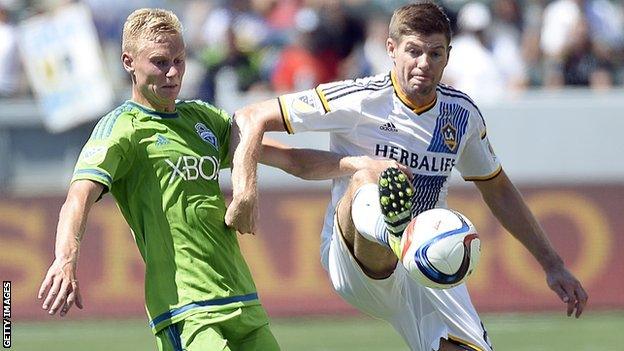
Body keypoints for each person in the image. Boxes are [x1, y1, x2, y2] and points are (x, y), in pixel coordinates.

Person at [227, 2, 588, 350]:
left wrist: (553, 264)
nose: (423, 64)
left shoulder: (461, 115)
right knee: (366, 175)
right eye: (413, 51)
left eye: (435, 54)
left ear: (449, 54)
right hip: (358, 259)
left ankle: (413, 240)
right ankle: (397, 233)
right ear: (391, 49)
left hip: (432, 264)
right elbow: (251, 116)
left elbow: (498, 189)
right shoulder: (359, 99)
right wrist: (245, 190)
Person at [36, 8, 398, 351]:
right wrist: (65, 259)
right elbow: (79, 196)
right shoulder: (122, 130)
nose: (173, 73)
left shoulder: (203, 119)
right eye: (160, 63)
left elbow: (290, 159)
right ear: (128, 62)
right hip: (186, 308)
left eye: (179, 61)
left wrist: (358, 164)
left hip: (242, 298)